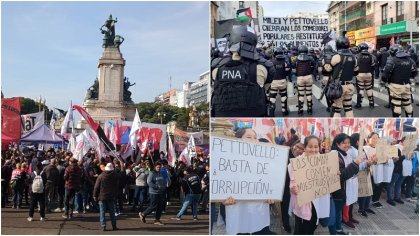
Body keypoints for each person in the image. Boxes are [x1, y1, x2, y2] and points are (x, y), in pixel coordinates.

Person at [211, 26, 275, 117]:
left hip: (221, 120)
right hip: (254, 117)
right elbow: (266, 86)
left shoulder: (216, 69)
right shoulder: (261, 68)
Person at [221, 128, 275, 235]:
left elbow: (271, 186)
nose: (253, 140)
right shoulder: (228, 162)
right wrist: (223, 200)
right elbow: (221, 188)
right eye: (248, 137)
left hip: (259, 215)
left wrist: (272, 197)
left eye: (255, 138)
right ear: (238, 140)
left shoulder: (264, 163)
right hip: (239, 215)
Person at [289, 135, 331, 235]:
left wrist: (334, 174)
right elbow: (292, 182)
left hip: (318, 201)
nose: (313, 149)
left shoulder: (324, 161)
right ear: (305, 147)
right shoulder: (297, 163)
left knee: (313, 226)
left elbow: (328, 179)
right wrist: (293, 188)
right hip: (305, 204)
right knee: (302, 230)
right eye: (310, 146)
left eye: (316, 146)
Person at [329, 133, 361, 235]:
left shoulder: (344, 153)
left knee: (338, 212)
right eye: (344, 143)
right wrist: (355, 164)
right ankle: (333, 232)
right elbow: (342, 176)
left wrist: (356, 165)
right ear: (337, 144)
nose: (347, 145)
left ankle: (338, 229)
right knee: (333, 214)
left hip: (344, 190)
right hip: (337, 191)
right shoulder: (334, 155)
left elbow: (350, 171)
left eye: (348, 142)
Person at [381, 44, 417, 117]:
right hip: (406, 85)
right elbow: (414, 72)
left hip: (395, 85)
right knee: (407, 103)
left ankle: (398, 123)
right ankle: (410, 121)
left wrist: (384, 81)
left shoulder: (392, 59)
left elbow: (386, 73)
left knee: (396, 104)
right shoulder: (410, 60)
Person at [330, 34, 358, 117]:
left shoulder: (336, 57)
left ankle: (336, 129)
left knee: (337, 109)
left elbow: (329, 69)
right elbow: (356, 72)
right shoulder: (354, 57)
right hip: (349, 85)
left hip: (338, 87)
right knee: (348, 108)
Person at [282, 141, 304, 233]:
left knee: (297, 208)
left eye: (301, 148)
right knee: (285, 206)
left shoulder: (304, 159)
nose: (297, 149)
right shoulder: (285, 155)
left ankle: (297, 226)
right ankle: (286, 224)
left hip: (298, 189)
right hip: (285, 188)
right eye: (297, 146)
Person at [139, 160, 166, 225]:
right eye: (157, 167)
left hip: (160, 192)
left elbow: (162, 181)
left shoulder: (160, 173)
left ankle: (157, 219)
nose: (158, 168)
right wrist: (156, 186)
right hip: (153, 193)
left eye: (159, 167)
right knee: (153, 206)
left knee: (160, 207)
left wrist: (163, 186)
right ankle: (143, 214)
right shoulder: (152, 173)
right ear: (155, 167)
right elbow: (149, 182)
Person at [93, 163, 119, 231]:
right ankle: (114, 226)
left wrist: (94, 195)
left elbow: (96, 187)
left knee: (102, 212)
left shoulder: (101, 176)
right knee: (112, 212)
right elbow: (117, 186)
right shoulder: (115, 175)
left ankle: (103, 226)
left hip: (102, 196)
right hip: (111, 196)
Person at [292, 45, 316, 115]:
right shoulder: (310, 58)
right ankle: (310, 110)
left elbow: (293, 69)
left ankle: (300, 110)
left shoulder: (296, 59)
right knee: (309, 94)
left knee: (301, 94)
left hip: (300, 78)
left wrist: (297, 74)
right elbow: (313, 67)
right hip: (308, 77)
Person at [269, 47, 291, 116]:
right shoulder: (285, 61)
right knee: (283, 96)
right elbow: (288, 71)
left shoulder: (271, 62)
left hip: (273, 82)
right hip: (282, 81)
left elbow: (269, 72)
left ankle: (272, 112)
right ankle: (284, 111)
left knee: (272, 97)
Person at [355, 43, 376, 109]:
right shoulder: (372, 56)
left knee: (361, 89)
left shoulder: (357, 56)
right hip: (369, 74)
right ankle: (371, 103)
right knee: (369, 88)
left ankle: (359, 104)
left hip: (360, 74)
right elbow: (373, 65)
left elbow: (355, 66)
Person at [387, 139, 407, 206]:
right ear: (402, 141)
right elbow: (395, 159)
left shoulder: (407, 149)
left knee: (398, 184)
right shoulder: (395, 147)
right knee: (391, 184)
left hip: (402, 169)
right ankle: (390, 199)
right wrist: (403, 156)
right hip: (396, 169)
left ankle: (397, 197)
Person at [319, 45, 336, 112]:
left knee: (326, 92)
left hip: (325, 77)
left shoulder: (322, 57)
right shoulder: (335, 56)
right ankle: (334, 105)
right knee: (334, 91)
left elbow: (319, 70)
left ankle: (329, 107)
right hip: (334, 77)